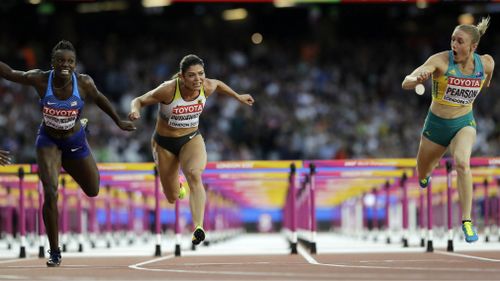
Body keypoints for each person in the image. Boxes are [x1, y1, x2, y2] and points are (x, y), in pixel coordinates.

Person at [0, 40, 136, 266]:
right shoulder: (40, 79)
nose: (65, 65)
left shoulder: (83, 83)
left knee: (93, 190)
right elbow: (10, 73)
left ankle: (72, 150)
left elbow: (100, 99)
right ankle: (54, 250)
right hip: (48, 141)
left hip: (74, 140)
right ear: (52, 63)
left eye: (70, 61)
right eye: (61, 61)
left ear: (75, 64)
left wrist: (119, 122)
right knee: (51, 193)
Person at [128, 54, 254, 245]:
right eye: (192, 75)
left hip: (190, 139)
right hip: (164, 143)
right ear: (181, 77)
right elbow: (138, 100)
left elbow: (219, 84)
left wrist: (238, 96)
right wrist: (135, 111)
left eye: (201, 74)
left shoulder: (207, 86)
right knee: (171, 197)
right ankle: (177, 183)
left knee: (195, 174)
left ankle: (198, 228)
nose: (198, 79)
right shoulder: (168, 90)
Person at [402, 17, 494, 243]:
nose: (454, 45)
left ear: (473, 47)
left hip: (464, 123)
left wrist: (471, 90)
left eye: (459, 41)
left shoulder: (487, 63)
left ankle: (467, 222)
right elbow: (406, 82)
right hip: (436, 126)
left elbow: (487, 80)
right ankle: (426, 175)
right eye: (452, 39)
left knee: (462, 162)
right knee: (422, 172)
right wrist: (417, 79)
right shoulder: (441, 60)